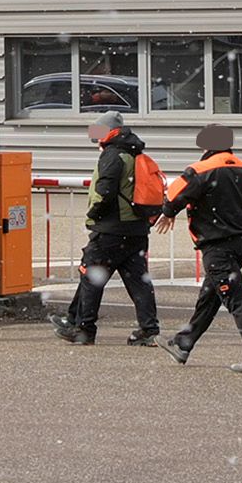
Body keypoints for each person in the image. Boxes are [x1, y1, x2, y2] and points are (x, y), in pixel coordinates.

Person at [156, 124, 242, 373]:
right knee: (209, 299)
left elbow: (176, 192)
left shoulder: (200, 170)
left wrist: (167, 212)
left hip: (217, 247)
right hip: (239, 245)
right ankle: (183, 343)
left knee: (236, 301)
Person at [51, 110, 160, 346]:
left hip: (111, 230)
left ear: (109, 132)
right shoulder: (135, 154)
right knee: (139, 282)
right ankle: (149, 330)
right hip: (136, 230)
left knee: (91, 277)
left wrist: (94, 215)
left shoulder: (113, 155)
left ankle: (84, 329)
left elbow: (105, 191)